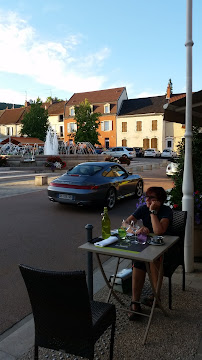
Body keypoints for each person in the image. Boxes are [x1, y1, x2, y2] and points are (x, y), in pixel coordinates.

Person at [124, 186, 173, 321]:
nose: (147, 200)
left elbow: (158, 231)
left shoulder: (166, 211)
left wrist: (152, 212)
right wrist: (136, 230)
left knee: (154, 259)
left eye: (152, 198)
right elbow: (125, 223)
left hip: (164, 247)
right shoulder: (142, 208)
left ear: (160, 201)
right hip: (146, 246)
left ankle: (156, 297)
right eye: (147, 197)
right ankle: (135, 302)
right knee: (139, 261)